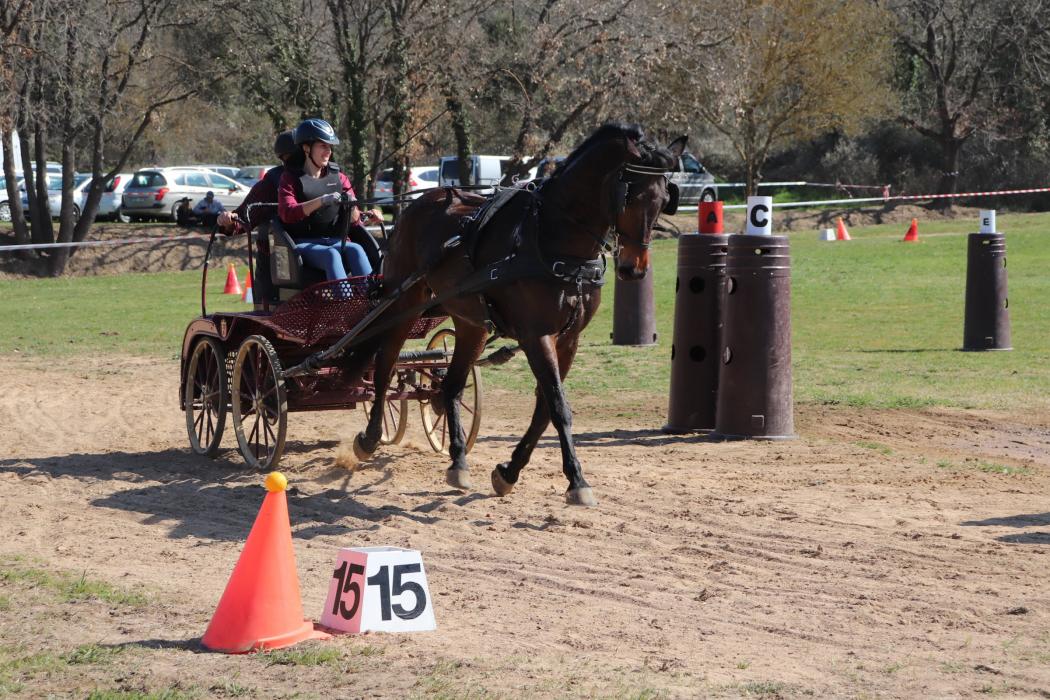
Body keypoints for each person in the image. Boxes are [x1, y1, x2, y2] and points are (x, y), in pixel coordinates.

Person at [277, 118, 382, 280]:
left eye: (330, 147)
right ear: (306, 148)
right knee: (331, 254)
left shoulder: (339, 177)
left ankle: (372, 298)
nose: (328, 151)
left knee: (356, 249)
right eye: (323, 146)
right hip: (303, 243)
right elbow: (287, 213)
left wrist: (365, 214)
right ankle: (343, 303)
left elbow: (354, 221)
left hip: (335, 239)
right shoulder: (290, 178)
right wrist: (321, 201)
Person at [218, 130, 296, 232]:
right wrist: (228, 220)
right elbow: (242, 219)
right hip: (294, 244)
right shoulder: (273, 181)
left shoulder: (323, 178)